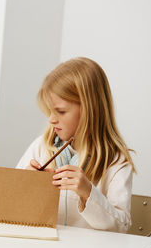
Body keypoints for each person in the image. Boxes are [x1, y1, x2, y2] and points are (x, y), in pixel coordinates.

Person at [16, 57, 135, 233]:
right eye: (50, 111)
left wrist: (88, 193)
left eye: (61, 111)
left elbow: (121, 227)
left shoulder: (116, 162)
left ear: (90, 110)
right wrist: (24, 185)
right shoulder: (41, 146)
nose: (51, 119)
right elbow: (10, 206)